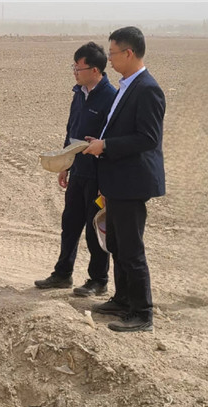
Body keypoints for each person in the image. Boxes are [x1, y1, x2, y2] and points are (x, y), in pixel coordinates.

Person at [83, 26, 166, 332]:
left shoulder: (147, 89)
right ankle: (122, 299)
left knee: (131, 248)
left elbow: (147, 138)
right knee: (117, 244)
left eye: (113, 53)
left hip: (132, 183)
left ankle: (142, 312)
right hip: (117, 181)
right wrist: (101, 142)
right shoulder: (128, 86)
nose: (110, 59)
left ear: (129, 53)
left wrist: (106, 146)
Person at [34, 42, 116, 296]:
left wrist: (106, 181)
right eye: (74, 67)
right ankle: (62, 274)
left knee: (93, 229)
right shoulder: (79, 94)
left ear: (95, 70)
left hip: (97, 174)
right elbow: (71, 130)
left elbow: (111, 140)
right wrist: (64, 164)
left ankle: (98, 280)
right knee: (70, 224)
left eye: (78, 68)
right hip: (77, 169)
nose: (74, 72)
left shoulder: (110, 98)